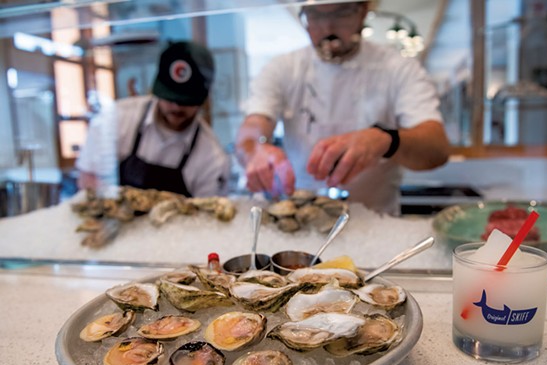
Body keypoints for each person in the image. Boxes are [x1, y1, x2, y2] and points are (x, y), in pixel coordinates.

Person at [235, 1, 450, 215]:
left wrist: (384, 139)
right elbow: (254, 124)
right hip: (298, 221)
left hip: (373, 220)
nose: (327, 28)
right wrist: (257, 149)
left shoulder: (398, 68)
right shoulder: (282, 68)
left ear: (363, 12)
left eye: (341, 13)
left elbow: (436, 149)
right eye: (315, 15)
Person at [76, 41, 230, 198]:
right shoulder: (118, 118)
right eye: (169, 98)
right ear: (155, 90)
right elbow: (89, 178)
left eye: (185, 101)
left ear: (203, 100)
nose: (176, 107)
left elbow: (206, 217)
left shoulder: (212, 157)